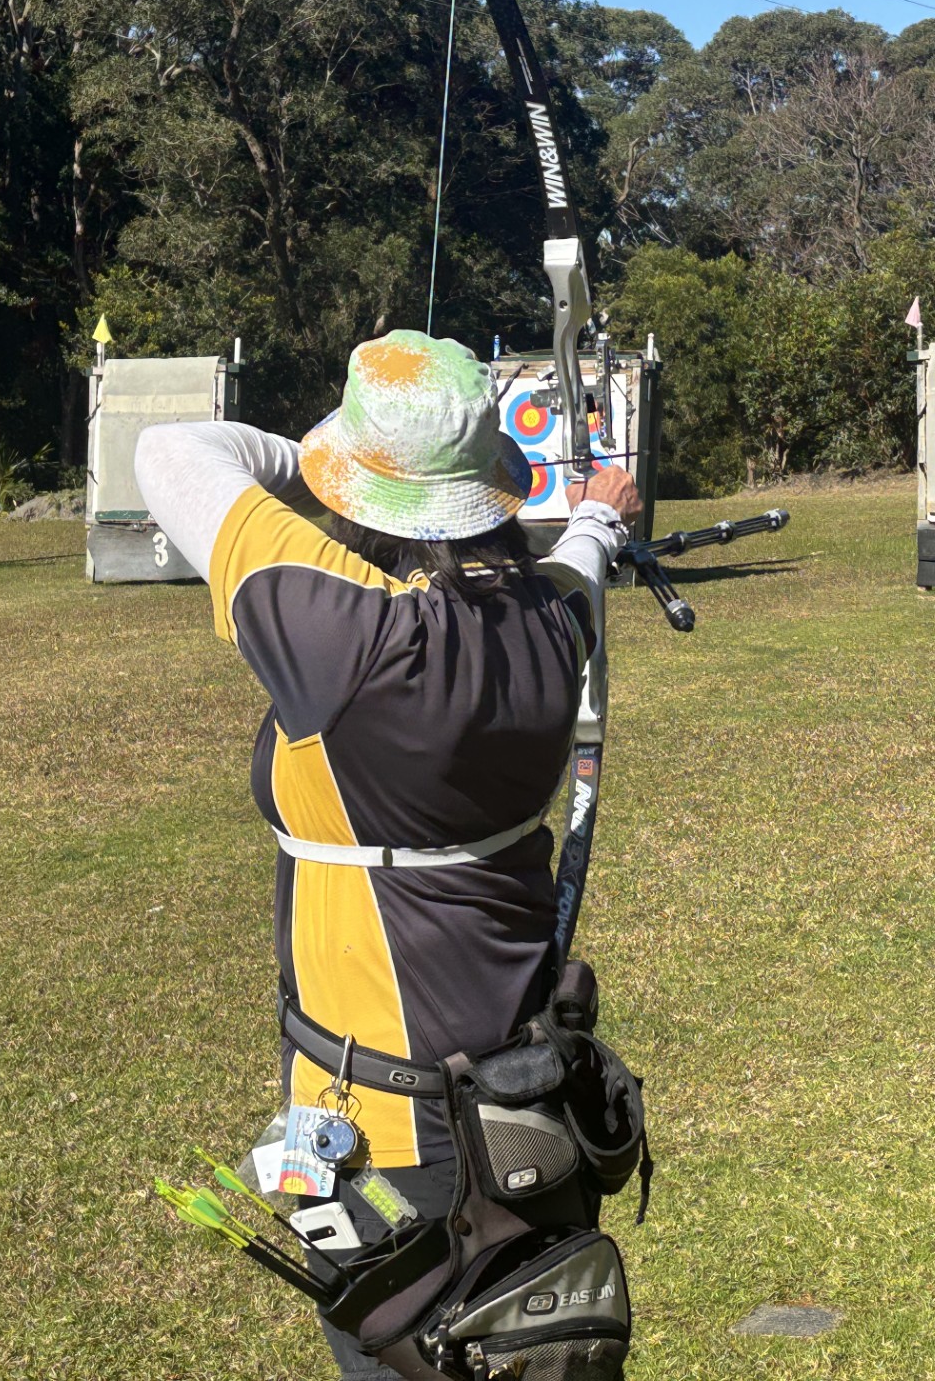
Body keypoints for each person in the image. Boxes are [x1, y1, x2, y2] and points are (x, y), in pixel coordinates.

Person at [135, 329, 641, 1379]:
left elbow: (170, 452)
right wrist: (597, 507)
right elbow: (584, 552)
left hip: (398, 1139)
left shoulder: (351, 637)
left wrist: (333, 449)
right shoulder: (551, 620)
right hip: (525, 1101)